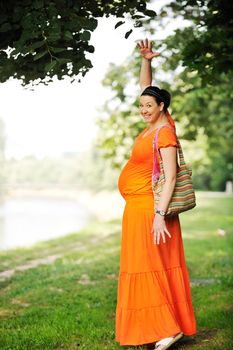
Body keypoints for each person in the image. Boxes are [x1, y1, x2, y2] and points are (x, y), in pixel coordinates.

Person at [115, 38, 196, 349]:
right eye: (141, 106)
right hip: (138, 208)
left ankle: (166, 328)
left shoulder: (165, 132)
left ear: (163, 107)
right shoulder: (156, 125)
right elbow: (146, 88)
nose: (143, 109)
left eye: (149, 105)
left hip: (150, 210)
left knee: (146, 268)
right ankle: (160, 326)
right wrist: (146, 61)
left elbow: (172, 175)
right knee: (147, 268)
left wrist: (160, 216)